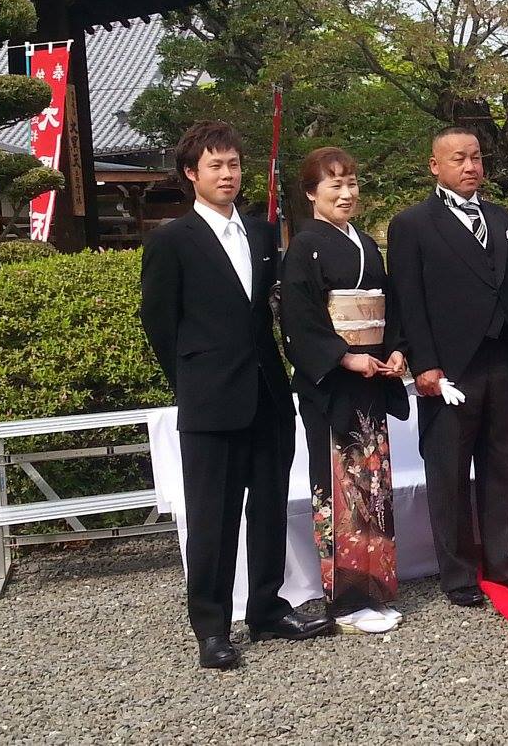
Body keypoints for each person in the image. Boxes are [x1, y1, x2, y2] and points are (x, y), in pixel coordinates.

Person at [138, 121, 334, 670]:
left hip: (268, 391)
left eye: (234, 164)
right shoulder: (171, 240)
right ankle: (211, 627)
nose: (228, 174)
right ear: (190, 173)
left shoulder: (261, 230)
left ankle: (267, 609)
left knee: (270, 505)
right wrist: (193, 384)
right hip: (211, 398)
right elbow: (159, 322)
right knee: (213, 515)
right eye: (215, 166)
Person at [384, 125, 508, 606]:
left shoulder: (502, 217)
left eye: (476, 157)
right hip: (448, 368)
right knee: (449, 471)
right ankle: (457, 574)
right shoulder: (412, 224)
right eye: (459, 158)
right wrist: (423, 364)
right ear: (436, 166)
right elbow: (408, 298)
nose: (471, 166)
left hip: (503, 358)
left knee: (503, 463)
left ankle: (506, 562)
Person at [278, 147, 410, 634]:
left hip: (372, 377)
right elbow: (298, 318)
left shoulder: (366, 244)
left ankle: (377, 589)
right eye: (334, 185)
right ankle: (346, 601)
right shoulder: (304, 247)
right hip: (333, 384)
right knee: (340, 486)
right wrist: (341, 355)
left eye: (351, 183)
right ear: (311, 193)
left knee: (373, 485)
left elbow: (388, 305)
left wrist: (396, 349)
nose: (346, 193)